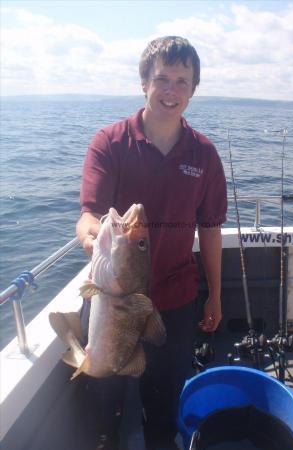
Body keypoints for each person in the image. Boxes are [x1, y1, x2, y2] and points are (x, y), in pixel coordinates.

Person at [76, 36, 227, 450]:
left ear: (194, 89)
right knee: (102, 397)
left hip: (175, 301)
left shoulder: (205, 155)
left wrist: (213, 295)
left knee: (162, 402)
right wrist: (93, 240)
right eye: (162, 78)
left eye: (183, 81)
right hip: (110, 295)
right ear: (144, 82)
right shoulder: (110, 142)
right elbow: (89, 216)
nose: (172, 90)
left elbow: (210, 228)